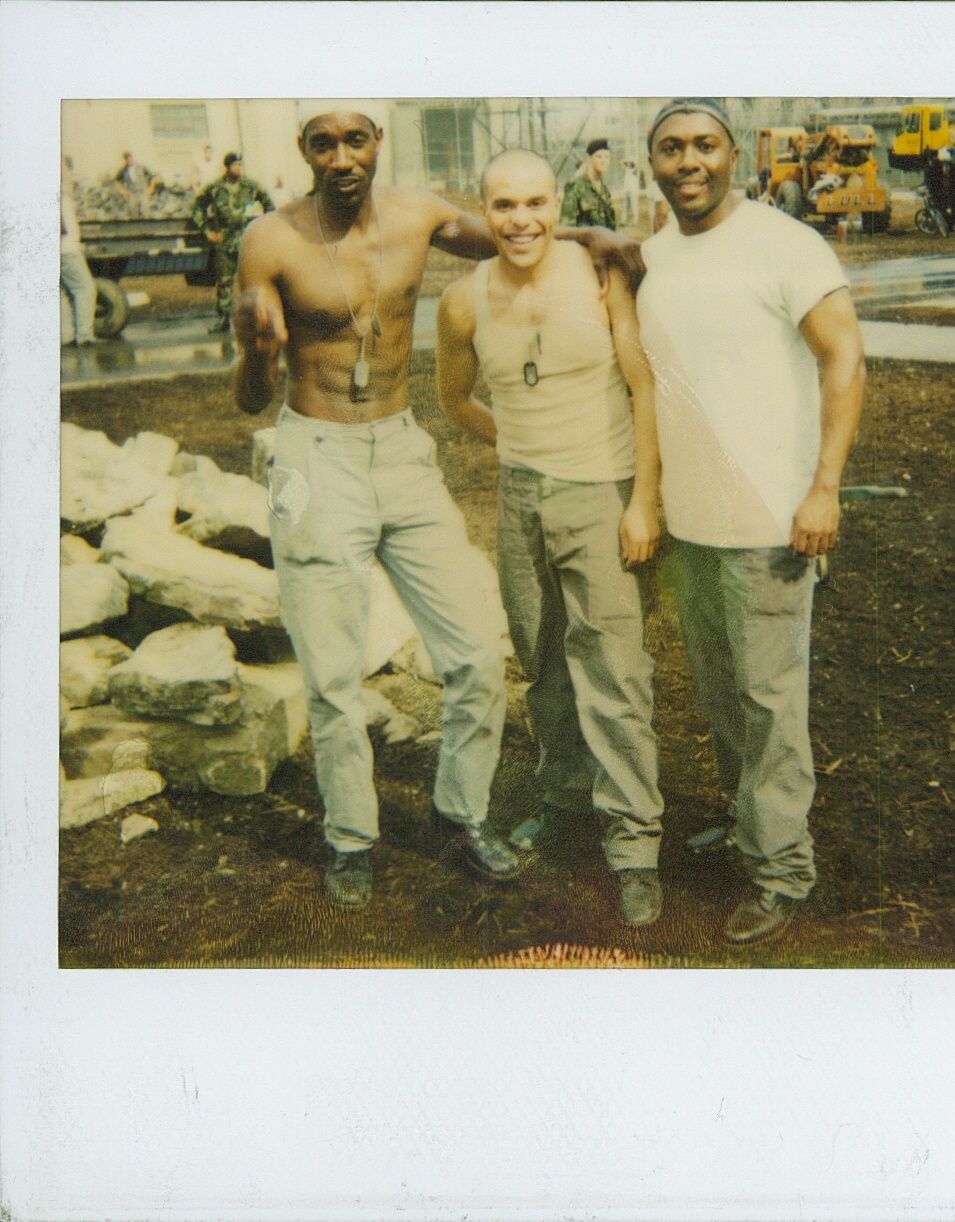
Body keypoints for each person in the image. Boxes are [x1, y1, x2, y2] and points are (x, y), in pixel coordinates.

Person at [233, 103, 639, 909]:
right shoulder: (270, 240)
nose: (341, 156)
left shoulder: (420, 215)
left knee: (477, 653)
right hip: (312, 456)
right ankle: (351, 836)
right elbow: (248, 400)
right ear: (304, 151)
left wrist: (591, 241)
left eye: (356, 139)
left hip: (403, 448)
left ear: (376, 143)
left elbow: (518, 237)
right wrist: (259, 351)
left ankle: (462, 815)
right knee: (333, 671)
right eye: (323, 143)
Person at [637, 99, 866, 946]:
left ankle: (782, 869)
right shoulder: (653, 256)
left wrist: (825, 488)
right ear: (651, 162)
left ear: (733, 154)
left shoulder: (784, 242)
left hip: (773, 520)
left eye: (704, 145)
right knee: (722, 695)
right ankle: (747, 827)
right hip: (691, 524)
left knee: (772, 704)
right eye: (671, 148)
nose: (688, 161)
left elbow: (843, 355)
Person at [437, 149, 665, 927]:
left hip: (602, 488)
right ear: (483, 208)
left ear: (559, 202)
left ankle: (634, 846)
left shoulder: (600, 276)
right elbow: (453, 398)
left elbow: (643, 383)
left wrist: (643, 502)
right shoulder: (462, 302)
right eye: (504, 205)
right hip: (521, 496)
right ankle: (565, 805)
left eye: (536, 202)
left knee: (614, 667)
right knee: (542, 659)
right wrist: (518, 446)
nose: (521, 220)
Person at [192, 153, 275, 333]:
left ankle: (256, 318)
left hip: (247, 242)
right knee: (224, 282)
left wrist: (263, 229)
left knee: (253, 281)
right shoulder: (215, 188)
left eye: (240, 164)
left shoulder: (251, 186)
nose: (238, 168)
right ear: (227, 167)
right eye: (234, 165)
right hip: (225, 241)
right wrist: (207, 231)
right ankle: (224, 320)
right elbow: (197, 207)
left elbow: (269, 206)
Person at [60, 156, 98, 346]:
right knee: (85, 289)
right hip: (65, 249)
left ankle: (65, 336)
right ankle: (84, 336)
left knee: (63, 292)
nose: (68, 171)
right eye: (65, 167)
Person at [561, 138, 617, 230]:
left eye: (607, 156)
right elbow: (567, 228)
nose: (604, 160)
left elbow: (611, 225)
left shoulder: (604, 189)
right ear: (589, 158)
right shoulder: (576, 186)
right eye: (599, 156)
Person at [621, 158, 642, 227]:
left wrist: (633, 161)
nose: (629, 164)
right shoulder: (627, 170)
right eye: (628, 163)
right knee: (625, 207)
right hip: (626, 191)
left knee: (634, 206)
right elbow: (621, 162)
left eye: (630, 163)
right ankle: (623, 221)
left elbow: (637, 164)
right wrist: (627, 161)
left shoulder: (635, 171)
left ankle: (634, 222)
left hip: (633, 191)